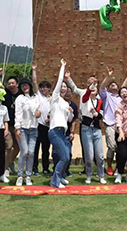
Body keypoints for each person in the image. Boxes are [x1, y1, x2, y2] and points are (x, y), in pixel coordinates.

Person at [48, 59, 73, 188]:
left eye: (65, 86)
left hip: (63, 132)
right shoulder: (55, 98)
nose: (63, 88)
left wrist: (71, 112)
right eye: (62, 86)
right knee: (65, 157)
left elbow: (69, 120)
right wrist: (63, 66)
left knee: (65, 156)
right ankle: (55, 181)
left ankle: (59, 177)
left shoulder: (65, 103)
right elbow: (59, 81)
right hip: (54, 131)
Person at [76, 79, 107, 184]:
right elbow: (85, 96)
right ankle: (89, 175)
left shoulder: (100, 101)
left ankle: (101, 175)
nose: (93, 89)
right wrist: (90, 87)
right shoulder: (85, 100)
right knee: (89, 155)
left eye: (95, 87)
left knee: (100, 156)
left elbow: (101, 116)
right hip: (86, 129)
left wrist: (95, 113)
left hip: (97, 129)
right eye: (91, 88)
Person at [14, 76, 41, 186]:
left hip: (33, 128)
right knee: (24, 152)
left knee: (31, 152)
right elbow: (18, 113)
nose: (25, 87)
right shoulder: (20, 98)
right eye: (22, 86)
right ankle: (20, 175)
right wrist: (17, 128)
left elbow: (39, 110)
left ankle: (28, 175)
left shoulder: (36, 97)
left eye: (26, 85)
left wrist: (39, 113)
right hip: (23, 128)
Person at [99, 67, 122, 176]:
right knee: (112, 146)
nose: (113, 86)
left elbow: (125, 89)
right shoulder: (107, 96)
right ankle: (109, 166)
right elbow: (101, 87)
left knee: (120, 147)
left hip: (120, 124)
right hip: (109, 123)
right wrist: (108, 77)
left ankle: (118, 166)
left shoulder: (121, 97)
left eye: (115, 84)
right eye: (111, 85)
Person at [32, 64, 52, 176]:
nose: (43, 89)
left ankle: (45, 168)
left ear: (49, 89)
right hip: (38, 126)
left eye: (45, 87)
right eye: (42, 87)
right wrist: (34, 70)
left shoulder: (53, 99)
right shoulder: (39, 96)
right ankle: (34, 168)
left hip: (48, 127)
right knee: (35, 148)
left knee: (46, 149)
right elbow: (34, 82)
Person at [2, 72, 22, 178]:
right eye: (9, 83)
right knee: (8, 146)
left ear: (17, 84)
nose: (11, 85)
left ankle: (10, 162)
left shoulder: (21, 95)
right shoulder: (5, 93)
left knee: (18, 147)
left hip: (18, 125)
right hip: (8, 125)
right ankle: (5, 169)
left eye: (12, 83)